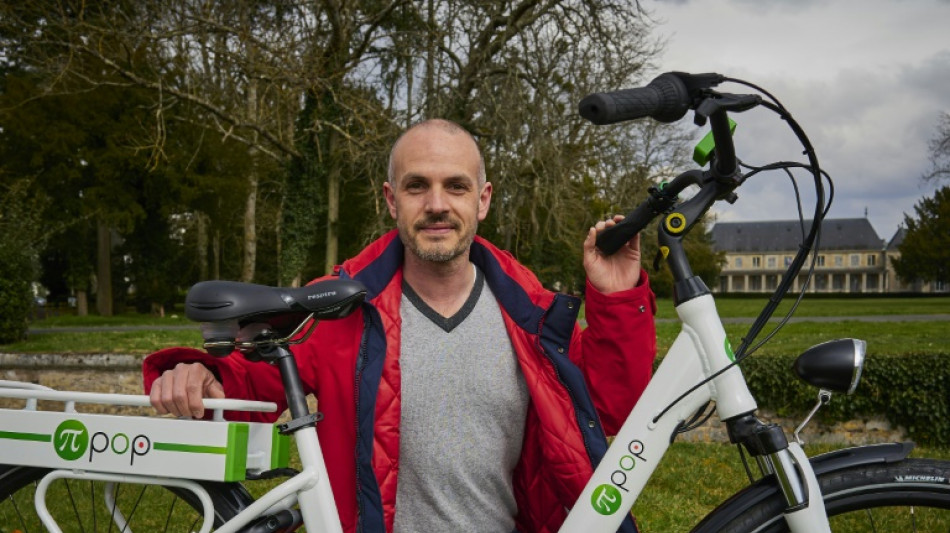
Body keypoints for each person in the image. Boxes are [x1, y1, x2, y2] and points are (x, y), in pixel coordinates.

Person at [145, 119, 657, 533]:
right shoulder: (338, 307)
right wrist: (198, 373)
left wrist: (616, 297)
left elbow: (609, 408)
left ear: (482, 200)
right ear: (391, 200)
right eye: (418, 186)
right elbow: (252, 383)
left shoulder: (530, 315)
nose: (437, 204)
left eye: (456, 186)